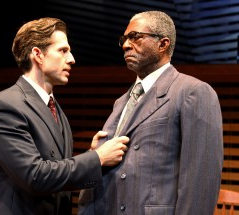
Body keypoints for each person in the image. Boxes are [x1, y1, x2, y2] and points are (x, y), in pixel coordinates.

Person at [0, 17, 129, 215]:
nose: (72, 59)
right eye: (63, 50)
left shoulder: (54, 108)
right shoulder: (4, 106)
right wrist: (97, 158)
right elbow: (35, 177)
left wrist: (90, 155)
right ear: (38, 55)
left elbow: (55, 169)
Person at [78, 11, 224, 215]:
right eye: (124, 39)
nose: (126, 45)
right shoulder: (121, 102)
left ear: (162, 44)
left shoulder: (192, 92)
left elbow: (201, 180)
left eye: (135, 37)